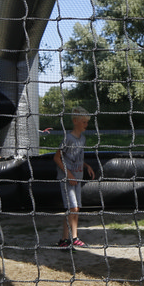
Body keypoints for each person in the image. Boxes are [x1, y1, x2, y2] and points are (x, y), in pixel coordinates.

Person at [54, 106, 96, 249]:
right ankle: (64, 240)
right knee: (73, 208)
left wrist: (86, 166)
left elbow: (75, 158)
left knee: (76, 209)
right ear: (75, 121)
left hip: (77, 177)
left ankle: (74, 238)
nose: (86, 125)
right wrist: (69, 175)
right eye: (84, 122)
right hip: (68, 178)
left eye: (87, 122)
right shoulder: (68, 138)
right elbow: (57, 158)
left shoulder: (82, 139)